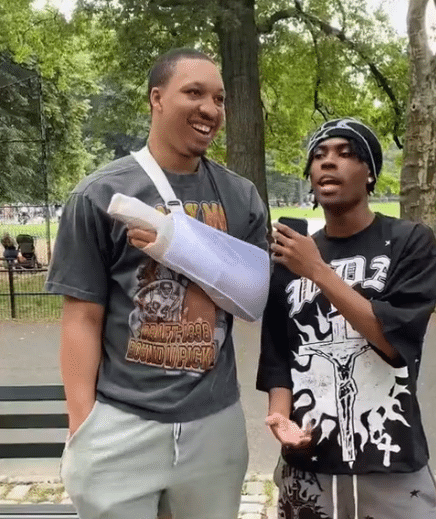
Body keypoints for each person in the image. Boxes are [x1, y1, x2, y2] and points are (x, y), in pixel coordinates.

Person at [45, 48, 269, 519]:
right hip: (122, 420)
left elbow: (252, 298)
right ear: (157, 98)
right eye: (194, 93)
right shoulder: (100, 195)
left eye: (219, 99)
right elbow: (81, 318)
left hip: (214, 423)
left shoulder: (241, 197)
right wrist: (83, 426)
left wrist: (177, 244)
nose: (210, 109)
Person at [257, 117, 436, 519]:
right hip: (309, 464)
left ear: (370, 173)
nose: (328, 162)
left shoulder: (409, 242)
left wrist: (318, 271)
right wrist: (281, 417)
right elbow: (279, 355)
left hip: (389, 461)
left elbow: (394, 341)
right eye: (319, 156)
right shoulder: (292, 255)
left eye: (345, 153)